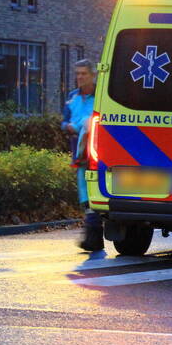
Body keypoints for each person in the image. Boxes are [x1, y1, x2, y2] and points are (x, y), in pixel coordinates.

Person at [62, 59, 102, 252]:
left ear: (93, 75)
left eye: (83, 74)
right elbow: (65, 120)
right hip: (79, 152)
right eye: (77, 73)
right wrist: (67, 127)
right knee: (84, 193)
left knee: (93, 191)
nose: (79, 77)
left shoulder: (101, 96)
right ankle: (93, 235)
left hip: (97, 151)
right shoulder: (72, 98)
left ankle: (93, 235)